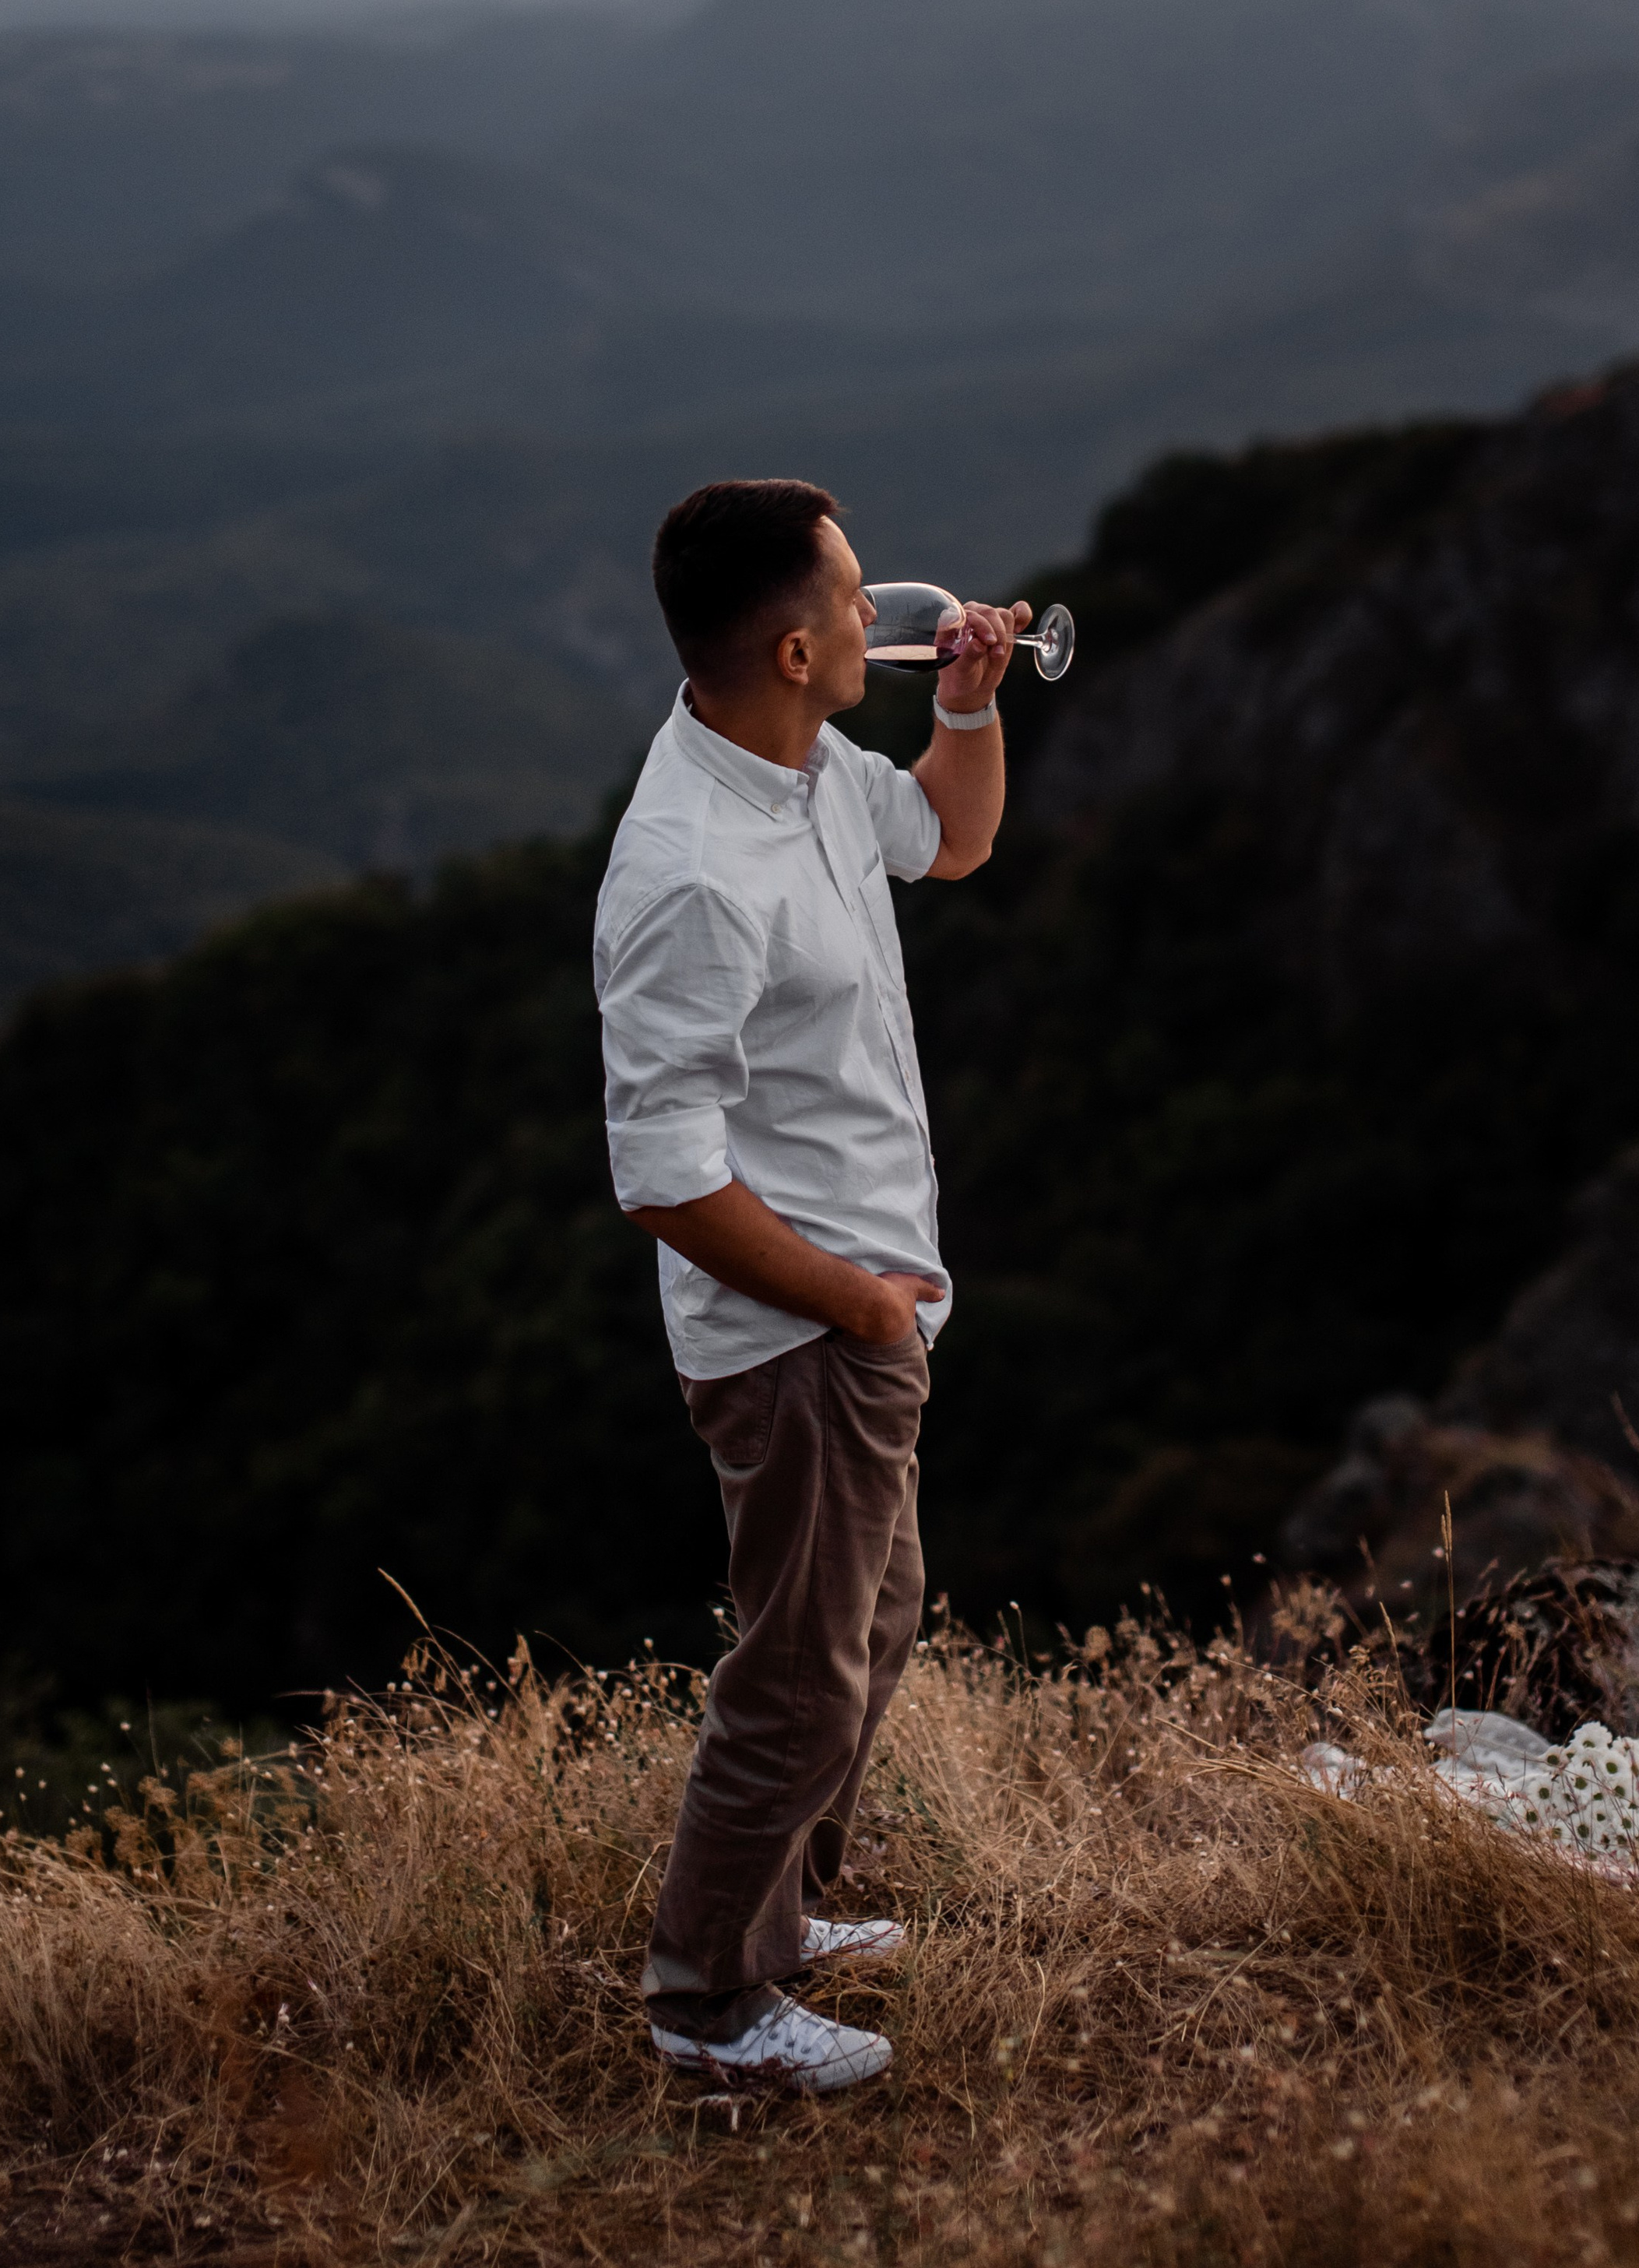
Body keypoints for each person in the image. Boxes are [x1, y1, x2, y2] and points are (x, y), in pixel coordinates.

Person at [593, 476, 1028, 2094]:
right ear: (791, 646)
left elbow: (954, 842)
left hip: (869, 1307)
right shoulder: (693, 869)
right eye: (856, 603)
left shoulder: (805, 762)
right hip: (799, 1337)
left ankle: (780, 1913)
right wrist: (851, 1305)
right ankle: (708, 2006)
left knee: (876, 1612)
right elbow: (662, 1171)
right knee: (794, 1669)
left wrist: (969, 710)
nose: (884, 618)